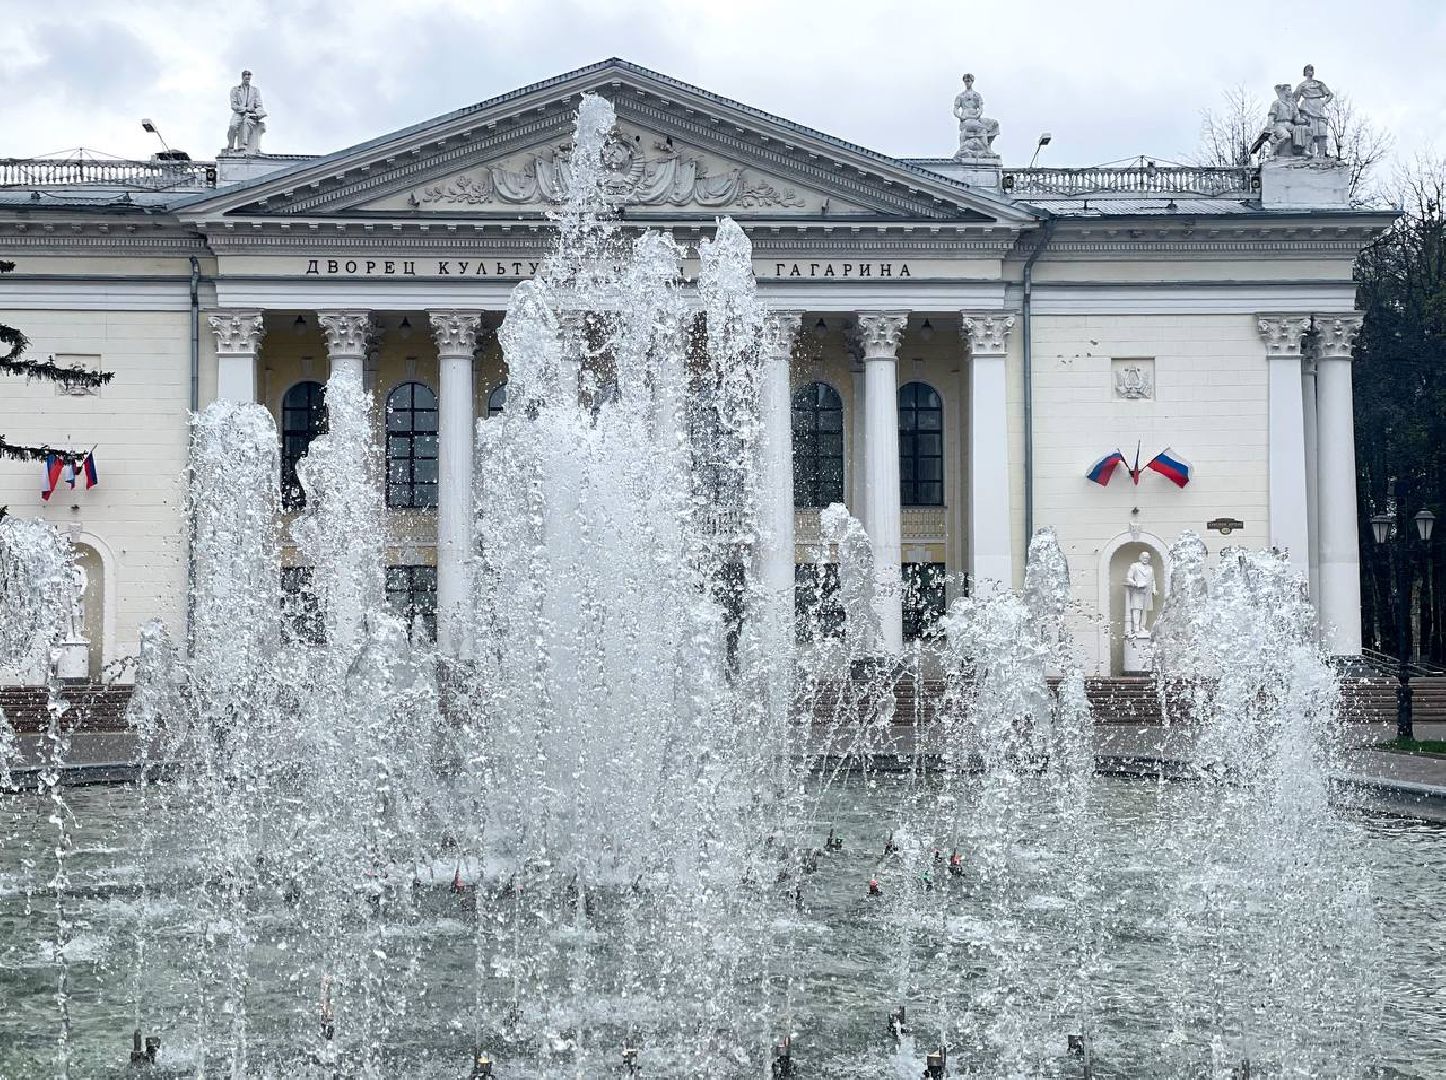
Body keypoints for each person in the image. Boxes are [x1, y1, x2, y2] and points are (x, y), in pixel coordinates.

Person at [1293, 64, 1333, 160]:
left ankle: (1322, 155)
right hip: (1307, 107)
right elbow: (1295, 99)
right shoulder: (1301, 85)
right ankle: (1311, 155)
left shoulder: (1319, 84)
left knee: (1322, 132)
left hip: (1318, 107)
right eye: (1308, 70)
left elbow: (1330, 94)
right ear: (1305, 73)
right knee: (1310, 132)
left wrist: (1324, 102)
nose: (1310, 72)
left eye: (1311, 70)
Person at [227, 70, 267, 154]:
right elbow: (233, 106)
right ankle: (230, 145)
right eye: (246, 75)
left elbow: (259, 104)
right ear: (242, 77)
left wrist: (258, 112)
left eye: (249, 75)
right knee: (232, 126)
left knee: (247, 122)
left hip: (250, 114)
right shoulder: (235, 89)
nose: (248, 77)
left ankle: (243, 145)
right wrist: (246, 109)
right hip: (238, 112)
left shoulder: (255, 90)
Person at [1124, 552, 1157, 637]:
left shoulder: (1150, 568)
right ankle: (1136, 628)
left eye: (1147, 557)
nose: (1145, 558)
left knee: (1145, 610)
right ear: (1140, 557)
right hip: (1138, 591)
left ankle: (1142, 626)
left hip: (1148, 592)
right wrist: (1136, 583)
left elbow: (1153, 580)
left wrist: (1154, 589)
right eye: (1143, 557)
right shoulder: (1134, 566)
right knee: (1137, 609)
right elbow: (1128, 578)